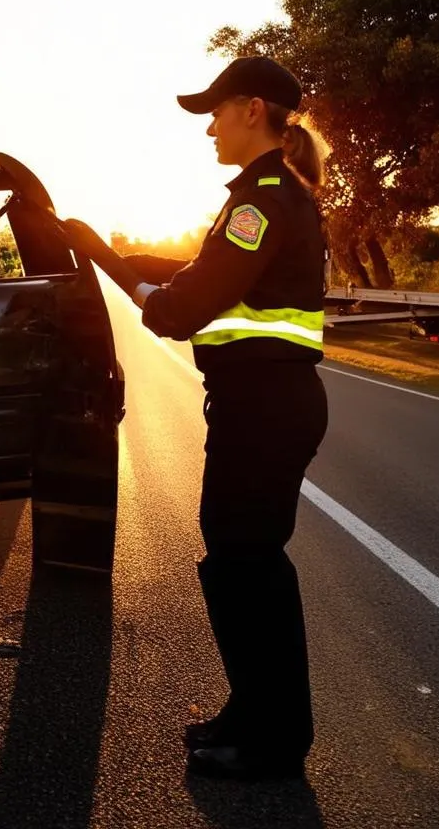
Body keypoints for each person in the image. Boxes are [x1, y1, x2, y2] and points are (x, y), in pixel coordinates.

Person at [135, 56, 329, 781]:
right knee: (238, 560)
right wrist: (112, 256)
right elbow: (200, 271)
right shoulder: (263, 197)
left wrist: (147, 295)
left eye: (216, 112)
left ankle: (275, 741)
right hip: (261, 404)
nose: (209, 126)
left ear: (252, 110)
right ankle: (252, 713)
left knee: (249, 565)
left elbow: (186, 304)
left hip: (268, 407)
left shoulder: (264, 198)